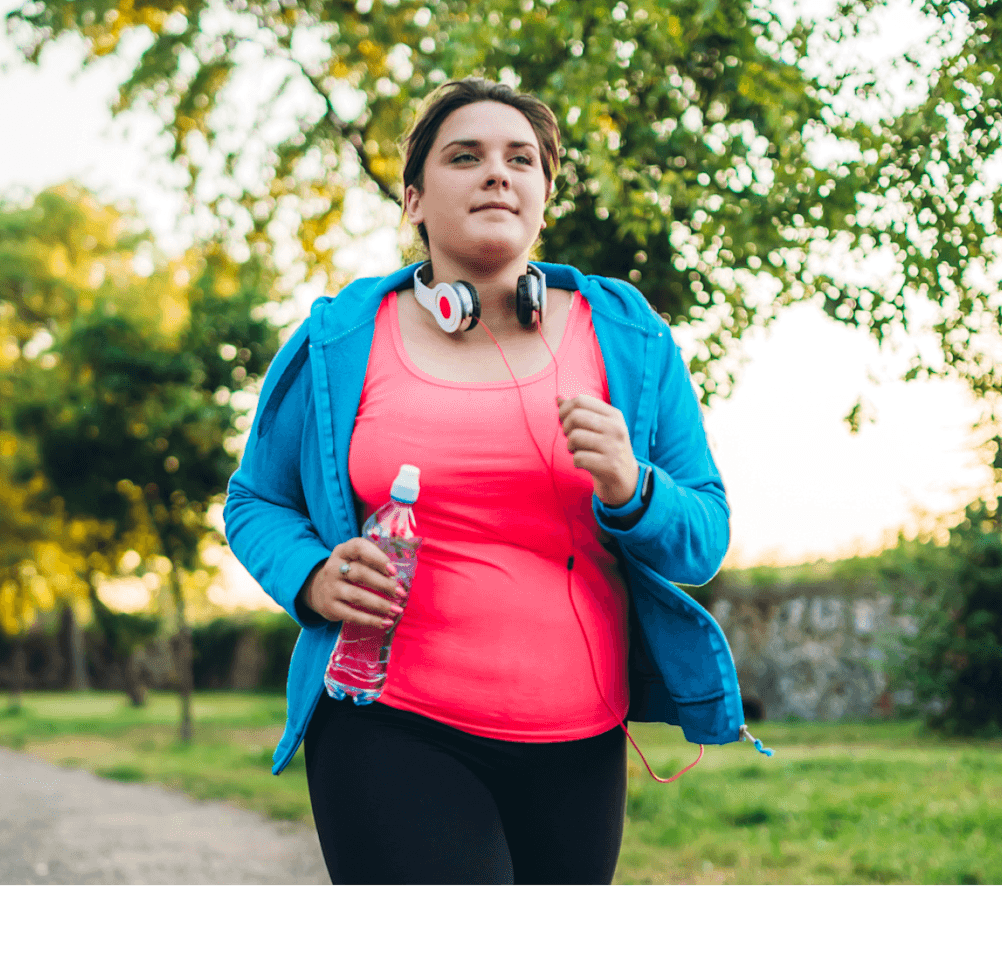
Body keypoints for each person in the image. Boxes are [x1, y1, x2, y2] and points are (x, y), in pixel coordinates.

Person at [223, 77, 748, 885]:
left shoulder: (631, 337)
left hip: (581, 747)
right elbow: (256, 498)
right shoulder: (338, 338)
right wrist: (311, 575)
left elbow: (703, 534)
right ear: (414, 201)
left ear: (543, 195)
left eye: (521, 159)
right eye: (464, 157)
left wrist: (631, 488)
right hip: (389, 725)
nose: (497, 173)